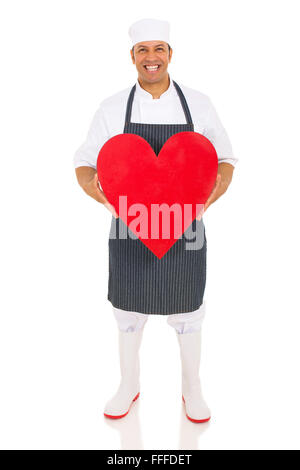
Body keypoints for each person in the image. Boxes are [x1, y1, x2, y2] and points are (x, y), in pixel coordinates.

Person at [74, 18, 238, 423]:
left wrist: (206, 198)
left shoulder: (199, 104)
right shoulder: (112, 108)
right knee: (128, 313)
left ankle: (192, 390)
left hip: (187, 224)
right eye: (143, 50)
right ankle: (128, 386)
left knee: (187, 311)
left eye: (159, 49)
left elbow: (226, 158)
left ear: (170, 54)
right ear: (132, 56)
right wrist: (103, 195)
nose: (152, 58)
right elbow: (83, 163)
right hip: (126, 223)